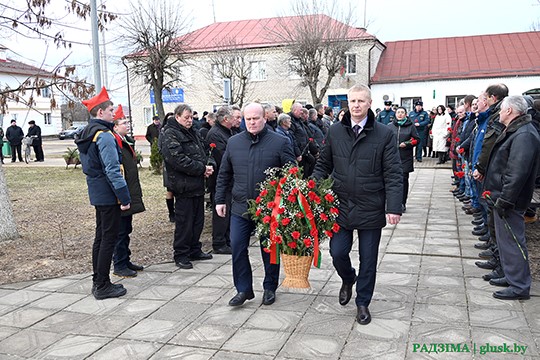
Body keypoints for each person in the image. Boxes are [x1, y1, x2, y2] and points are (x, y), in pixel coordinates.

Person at [313, 84, 402, 325]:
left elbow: (394, 173)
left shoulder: (384, 134)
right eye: (352, 101)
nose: (356, 105)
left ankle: (363, 302)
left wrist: (394, 207)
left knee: (369, 259)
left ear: (369, 103)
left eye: (361, 101)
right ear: (348, 103)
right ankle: (347, 277)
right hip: (340, 204)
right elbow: (323, 165)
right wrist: (311, 190)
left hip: (371, 204)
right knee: (337, 251)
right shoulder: (334, 132)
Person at [215, 103, 295, 307]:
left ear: (264, 118)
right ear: (243, 119)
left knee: (269, 249)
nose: (251, 122)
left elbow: (291, 173)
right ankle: (243, 289)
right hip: (240, 206)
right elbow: (224, 173)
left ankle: (270, 287)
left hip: (269, 208)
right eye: (247, 119)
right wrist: (219, 200)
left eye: (256, 118)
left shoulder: (280, 142)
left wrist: (286, 201)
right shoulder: (234, 142)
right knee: (238, 247)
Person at [75, 87, 131, 300]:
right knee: (108, 239)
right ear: (100, 113)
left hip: (97, 192)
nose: (113, 113)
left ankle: (98, 280)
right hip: (109, 194)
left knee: (101, 238)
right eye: (110, 110)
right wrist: (124, 197)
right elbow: (112, 170)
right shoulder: (105, 135)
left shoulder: (87, 133)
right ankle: (102, 285)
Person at [483, 96, 540, 300]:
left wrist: (505, 200)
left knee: (513, 242)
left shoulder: (524, 134)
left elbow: (517, 172)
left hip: (510, 200)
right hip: (503, 197)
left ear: (509, 111)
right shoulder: (517, 130)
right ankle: (511, 276)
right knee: (506, 242)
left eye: (501, 109)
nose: (499, 112)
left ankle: (519, 286)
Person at [160, 103, 215, 269]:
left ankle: (194, 249)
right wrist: (201, 169)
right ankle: (181, 254)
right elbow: (177, 159)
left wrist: (209, 165)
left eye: (191, 117)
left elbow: (205, 151)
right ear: (177, 117)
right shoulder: (170, 134)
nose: (190, 120)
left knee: (198, 220)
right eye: (186, 118)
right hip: (183, 185)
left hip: (197, 183)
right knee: (184, 222)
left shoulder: (193, 132)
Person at [111, 107, 146, 278]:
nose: (128, 125)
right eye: (124, 123)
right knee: (120, 231)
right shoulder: (115, 142)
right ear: (115, 126)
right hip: (120, 196)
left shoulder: (125, 140)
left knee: (126, 229)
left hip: (128, 191)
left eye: (128, 122)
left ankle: (125, 260)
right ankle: (119, 264)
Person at [206, 106, 238, 255]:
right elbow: (223, 156)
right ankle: (219, 242)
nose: (236, 121)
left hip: (230, 180)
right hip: (220, 180)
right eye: (233, 117)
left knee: (228, 211)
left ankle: (227, 239)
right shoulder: (215, 134)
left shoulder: (227, 132)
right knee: (221, 211)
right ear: (226, 119)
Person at [388, 107, 419, 212]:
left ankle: (402, 203)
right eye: (398, 112)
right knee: (391, 181)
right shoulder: (390, 126)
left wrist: (406, 144)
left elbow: (416, 140)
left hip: (405, 157)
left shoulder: (411, 126)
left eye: (402, 112)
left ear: (406, 114)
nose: (400, 114)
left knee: (403, 181)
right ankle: (391, 203)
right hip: (391, 157)